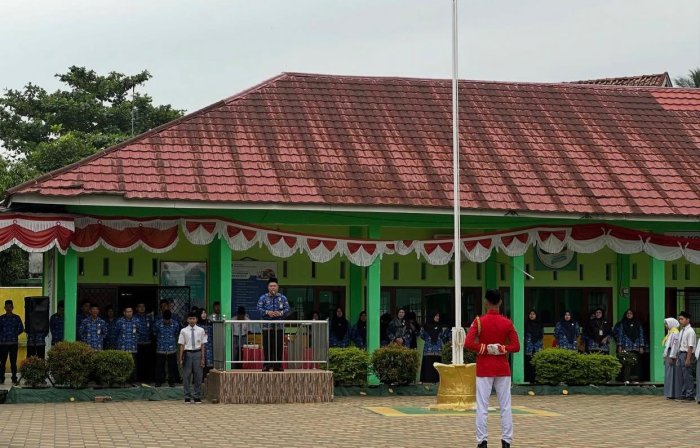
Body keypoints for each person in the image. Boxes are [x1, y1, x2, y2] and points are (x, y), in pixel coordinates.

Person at [465, 289, 520, 448]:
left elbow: (468, 343)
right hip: (502, 368)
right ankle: (506, 441)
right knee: (505, 406)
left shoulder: (479, 321)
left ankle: (482, 441)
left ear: (485, 302)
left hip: (484, 368)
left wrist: (485, 348)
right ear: (500, 302)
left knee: (482, 407)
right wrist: (502, 348)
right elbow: (516, 346)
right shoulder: (507, 322)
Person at [256, 277, 289, 372]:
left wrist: (280, 313)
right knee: (267, 346)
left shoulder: (282, 298)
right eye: (271, 286)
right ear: (268, 287)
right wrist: (267, 312)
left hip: (279, 327)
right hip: (267, 327)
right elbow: (258, 308)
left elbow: (287, 309)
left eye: (274, 286)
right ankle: (267, 365)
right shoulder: (263, 297)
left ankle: (278, 366)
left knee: (279, 346)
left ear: (278, 287)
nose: (273, 287)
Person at [179, 311, 207, 404]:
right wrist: (180, 358)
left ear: (196, 319)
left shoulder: (201, 330)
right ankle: (187, 396)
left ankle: (197, 396)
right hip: (187, 353)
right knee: (186, 376)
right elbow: (182, 345)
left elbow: (203, 345)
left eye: (193, 318)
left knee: (198, 376)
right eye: (190, 319)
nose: (192, 320)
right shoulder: (183, 331)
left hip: (197, 353)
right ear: (187, 320)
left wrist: (203, 358)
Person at [613, 309, 646, 382]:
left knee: (635, 363)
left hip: (636, 347)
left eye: (630, 313)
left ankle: (635, 379)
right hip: (625, 346)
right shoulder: (622, 324)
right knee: (625, 363)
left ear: (633, 314)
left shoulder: (638, 324)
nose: (629, 314)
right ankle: (625, 379)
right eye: (627, 313)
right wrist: (619, 345)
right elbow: (620, 335)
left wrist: (641, 346)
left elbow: (641, 335)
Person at [153, 310, 181, 387]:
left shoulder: (175, 324)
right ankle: (158, 381)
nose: (167, 321)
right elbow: (155, 333)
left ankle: (171, 382)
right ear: (163, 317)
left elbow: (176, 333)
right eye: (165, 320)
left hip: (171, 349)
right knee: (159, 366)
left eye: (168, 320)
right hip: (160, 348)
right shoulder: (158, 324)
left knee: (171, 366)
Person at [419, 311, 449, 383]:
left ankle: (437, 380)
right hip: (428, 350)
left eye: (438, 316)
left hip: (438, 350)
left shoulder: (441, 327)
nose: (438, 317)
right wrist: (429, 340)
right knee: (428, 364)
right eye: (436, 316)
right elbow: (422, 335)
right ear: (432, 316)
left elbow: (443, 337)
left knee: (437, 365)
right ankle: (427, 380)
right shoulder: (425, 327)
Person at [0, 300, 24, 385]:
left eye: (10, 307)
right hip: (3, 344)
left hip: (13, 344)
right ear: (4, 308)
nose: (8, 308)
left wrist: (14, 334)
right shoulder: (1, 318)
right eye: (7, 307)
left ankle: (14, 378)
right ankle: (1, 378)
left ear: (12, 307)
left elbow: (21, 328)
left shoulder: (17, 318)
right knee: (2, 363)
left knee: (13, 363)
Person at [114, 306, 139, 384]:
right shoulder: (119, 321)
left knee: (133, 365)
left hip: (132, 347)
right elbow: (116, 333)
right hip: (122, 347)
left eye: (130, 311)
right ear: (124, 313)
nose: (129, 313)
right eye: (127, 312)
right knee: (122, 364)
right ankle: (122, 381)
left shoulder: (136, 321)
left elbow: (139, 332)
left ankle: (133, 381)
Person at [676, 311, 696, 401]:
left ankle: (690, 394)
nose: (680, 321)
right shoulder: (682, 331)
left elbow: (690, 346)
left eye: (682, 319)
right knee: (683, 375)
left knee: (688, 376)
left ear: (688, 320)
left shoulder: (690, 331)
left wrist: (688, 359)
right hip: (681, 354)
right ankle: (684, 393)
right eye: (679, 319)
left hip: (687, 354)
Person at [134, 302, 154, 382]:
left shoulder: (148, 318)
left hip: (147, 343)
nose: (142, 308)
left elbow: (152, 329)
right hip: (137, 343)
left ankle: (148, 378)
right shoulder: (134, 318)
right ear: (136, 308)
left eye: (143, 306)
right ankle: (138, 379)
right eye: (140, 306)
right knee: (138, 362)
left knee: (147, 362)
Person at [662, 317, 680, 399]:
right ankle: (669, 393)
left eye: (667, 324)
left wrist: (672, 356)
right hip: (669, 354)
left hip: (672, 354)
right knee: (669, 374)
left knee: (671, 374)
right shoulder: (670, 332)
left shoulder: (675, 333)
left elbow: (674, 346)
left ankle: (672, 393)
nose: (666, 326)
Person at [524, 309, 543, 384]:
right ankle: (529, 378)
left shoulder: (540, 325)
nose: (532, 315)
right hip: (529, 347)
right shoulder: (526, 324)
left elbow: (542, 336)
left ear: (536, 315)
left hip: (537, 346)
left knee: (537, 362)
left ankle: (536, 378)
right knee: (528, 362)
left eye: (533, 314)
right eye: (530, 314)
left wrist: (541, 346)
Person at [198, 308, 214, 378]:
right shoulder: (197, 325)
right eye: (202, 313)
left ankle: (209, 380)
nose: (204, 314)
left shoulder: (210, 323)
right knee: (201, 363)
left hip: (209, 346)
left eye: (205, 313)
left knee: (209, 364)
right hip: (200, 346)